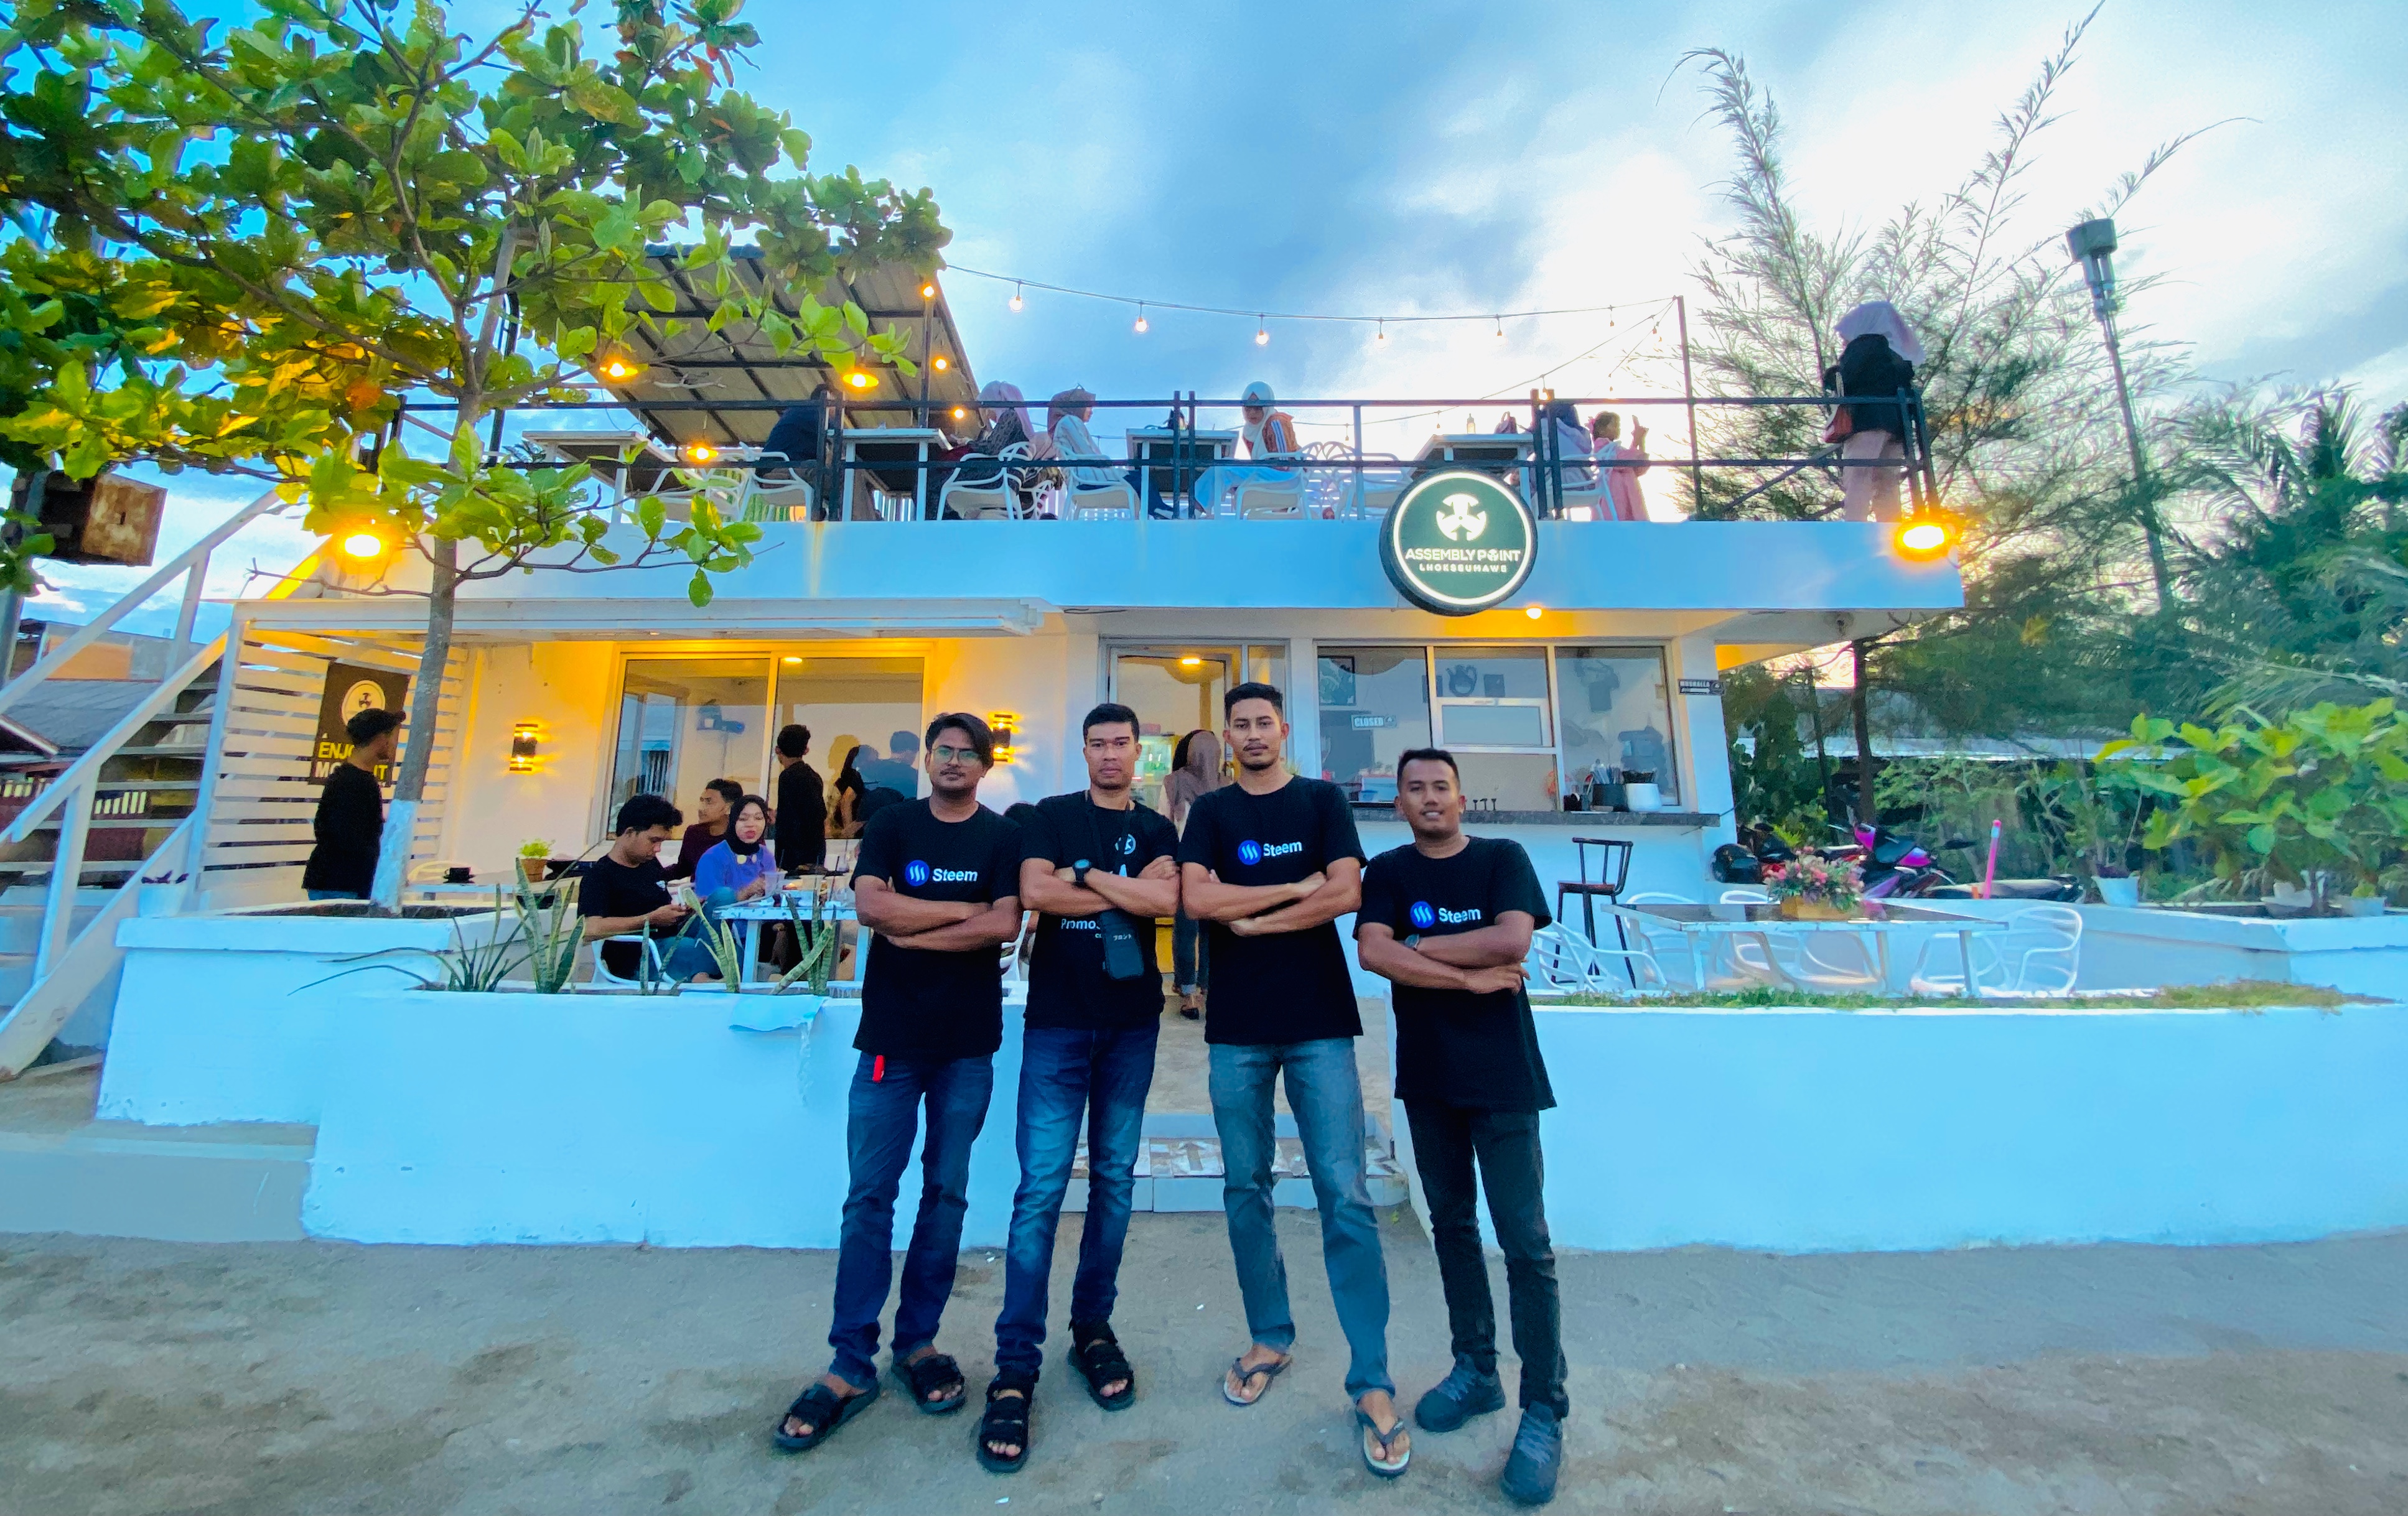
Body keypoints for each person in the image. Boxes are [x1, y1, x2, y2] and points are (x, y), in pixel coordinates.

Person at [775, 714, 1023, 1456]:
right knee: (869, 1200)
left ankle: (917, 1342)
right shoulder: (892, 825)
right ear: (928, 758)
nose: (954, 761)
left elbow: (1005, 925)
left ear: (984, 765)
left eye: (968, 753)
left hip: (966, 1047)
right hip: (890, 1043)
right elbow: (872, 908)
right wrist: (960, 913)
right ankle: (849, 1361)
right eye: (943, 750)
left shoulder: (1002, 836)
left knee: (945, 1196)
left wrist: (916, 929)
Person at [1178, 682, 1407, 1479]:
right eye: (1238, 725)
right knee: (1246, 1186)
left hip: (1319, 1024)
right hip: (1237, 1029)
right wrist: (1291, 887)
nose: (1252, 734)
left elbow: (1347, 890)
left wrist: (1253, 920)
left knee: (1344, 1190)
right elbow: (1197, 896)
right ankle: (1269, 1336)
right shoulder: (1212, 812)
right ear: (1227, 736)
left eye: (1263, 723)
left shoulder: (1320, 802)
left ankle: (1371, 1378)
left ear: (1282, 729)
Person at [1354, 748, 1566, 1506]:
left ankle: (1544, 1407)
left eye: (1440, 787)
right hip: (1431, 1080)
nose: (1429, 798)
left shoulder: (1503, 858)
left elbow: (1511, 941)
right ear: (1399, 803)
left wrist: (1416, 948)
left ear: (1461, 797)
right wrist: (1466, 977)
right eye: (1415, 789)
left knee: (1526, 1242)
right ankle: (1476, 1368)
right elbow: (1370, 952)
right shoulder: (1388, 871)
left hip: (1504, 1078)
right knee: (1450, 1226)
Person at [979, 702, 1182, 1472]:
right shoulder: (1051, 815)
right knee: (1040, 1189)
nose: (1109, 754)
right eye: (1097, 744)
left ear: (1138, 750)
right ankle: (1015, 1364)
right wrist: (1118, 884)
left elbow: (1167, 902)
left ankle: (1092, 1329)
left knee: (1115, 1183)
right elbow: (1035, 891)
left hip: (1131, 1025)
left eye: (1121, 743)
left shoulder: (1158, 828)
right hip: (1060, 1025)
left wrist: (1086, 875)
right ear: (1085, 750)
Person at [579, 793, 716, 982]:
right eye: (653, 840)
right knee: (696, 949)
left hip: (670, 941)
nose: (658, 849)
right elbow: (589, 929)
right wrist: (649, 920)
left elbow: (660, 910)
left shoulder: (650, 864)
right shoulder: (600, 875)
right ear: (629, 833)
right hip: (639, 957)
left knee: (719, 905)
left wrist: (683, 911)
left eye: (662, 842)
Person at [1824, 299, 1923, 522]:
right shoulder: (1897, 353)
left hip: (1868, 422)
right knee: (1887, 481)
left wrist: (1832, 375)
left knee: (1858, 475)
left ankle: (1855, 525)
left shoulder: (1865, 345)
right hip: (1897, 426)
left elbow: (1847, 379)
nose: (1844, 339)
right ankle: (1889, 528)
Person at [302, 706, 401, 901]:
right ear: (381, 739)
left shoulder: (350, 778)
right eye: (393, 737)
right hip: (342, 884)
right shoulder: (354, 782)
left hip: (338, 880)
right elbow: (348, 838)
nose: (395, 744)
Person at [1162, 728, 1225, 1019]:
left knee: (1185, 932)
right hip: (1218, 870)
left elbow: (1164, 825)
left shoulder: (1173, 782)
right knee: (1212, 934)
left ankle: (1188, 993)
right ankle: (1207, 989)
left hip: (1185, 866)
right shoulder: (1227, 785)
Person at [1187, 381, 1300, 518]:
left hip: (1285, 477)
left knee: (1222, 468)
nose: (1252, 413)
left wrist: (1244, 477)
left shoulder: (1276, 422)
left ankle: (1193, 512)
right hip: (1270, 473)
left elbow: (1284, 463)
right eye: (1248, 408)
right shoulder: (1251, 431)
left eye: (1258, 407)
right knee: (1224, 466)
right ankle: (1195, 510)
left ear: (1267, 406)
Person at [1045, 387, 1141, 504]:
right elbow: (1086, 452)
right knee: (1140, 478)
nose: (1091, 412)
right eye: (1089, 407)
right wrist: (1106, 462)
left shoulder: (1065, 424)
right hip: (1086, 478)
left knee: (1138, 480)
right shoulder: (1069, 421)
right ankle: (1157, 511)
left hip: (1081, 478)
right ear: (1077, 405)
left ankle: (1156, 510)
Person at [693, 793, 782, 903]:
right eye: (743, 819)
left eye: (758, 818)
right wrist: (744, 894)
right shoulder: (713, 857)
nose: (751, 824)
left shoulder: (766, 856)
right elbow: (708, 907)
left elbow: (770, 900)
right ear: (733, 822)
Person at [774, 723, 828, 872]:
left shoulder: (787, 777)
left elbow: (788, 819)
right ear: (806, 750)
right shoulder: (814, 776)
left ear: (778, 750)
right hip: (815, 851)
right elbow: (818, 813)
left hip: (792, 854)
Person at [666, 777, 742, 881]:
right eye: (702, 801)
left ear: (729, 808)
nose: (701, 809)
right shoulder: (694, 833)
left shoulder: (743, 837)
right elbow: (683, 869)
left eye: (709, 802)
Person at [1590, 412, 1650, 523]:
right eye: (1614, 425)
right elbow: (1621, 461)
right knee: (1617, 518)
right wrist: (1635, 442)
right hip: (1615, 491)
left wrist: (1641, 442)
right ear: (1602, 429)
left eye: (1618, 426)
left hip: (1629, 491)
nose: (1618, 429)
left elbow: (1639, 468)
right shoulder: (1601, 445)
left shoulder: (1618, 448)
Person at [831, 743, 869, 838]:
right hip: (854, 831)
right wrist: (849, 831)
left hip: (839, 829)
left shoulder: (840, 781)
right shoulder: (858, 778)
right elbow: (846, 801)